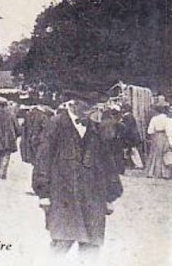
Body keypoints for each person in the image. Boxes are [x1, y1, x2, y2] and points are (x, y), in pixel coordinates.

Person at [33, 100, 123, 259]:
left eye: (92, 107)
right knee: (61, 243)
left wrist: (111, 195)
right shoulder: (55, 125)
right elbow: (43, 159)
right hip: (64, 194)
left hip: (93, 197)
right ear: (73, 104)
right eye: (86, 106)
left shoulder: (96, 127)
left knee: (92, 246)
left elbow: (108, 163)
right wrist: (43, 193)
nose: (90, 111)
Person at [145, 101, 172, 179]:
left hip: (156, 136)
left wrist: (153, 136)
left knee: (154, 154)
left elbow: (150, 131)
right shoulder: (169, 120)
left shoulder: (154, 119)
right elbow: (169, 132)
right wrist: (171, 143)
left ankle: (152, 172)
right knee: (165, 154)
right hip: (164, 137)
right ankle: (165, 173)